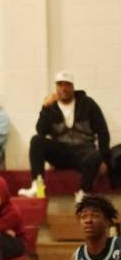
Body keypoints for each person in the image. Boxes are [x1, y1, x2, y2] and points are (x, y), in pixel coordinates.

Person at [19, 71, 110, 202]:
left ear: (73, 87)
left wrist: (104, 160)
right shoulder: (51, 107)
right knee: (36, 140)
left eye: (67, 84)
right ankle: (37, 187)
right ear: (56, 87)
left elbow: (103, 131)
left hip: (83, 152)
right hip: (61, 152)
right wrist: (45, 108)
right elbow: (41, 131)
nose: (64, 88)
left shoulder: (87, 104)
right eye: (60, 85)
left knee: (95, 154)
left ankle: (83, 193)